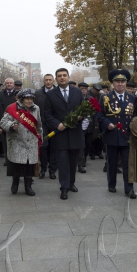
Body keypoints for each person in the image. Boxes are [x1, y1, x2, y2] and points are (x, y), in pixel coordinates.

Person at [44, 68, 87, 201]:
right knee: (63, 161)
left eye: (64, 75)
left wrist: (81, 116)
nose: (62, 78)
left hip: (75, 132)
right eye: (59, 76)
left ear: (68, 77)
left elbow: (84, 108)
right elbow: (47, 114)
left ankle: (71, 183)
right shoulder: (51, 94)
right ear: (56, 79)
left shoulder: (77, 92)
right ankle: (64, 187)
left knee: (73, 161)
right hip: (60, 134)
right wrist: (57, 124)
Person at [97, 69, 137, 199]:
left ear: (126, 83)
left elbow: (135, 117)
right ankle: (111, 184)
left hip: (127, 137)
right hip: (112, 135)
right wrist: (107, 123)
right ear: (113, 83)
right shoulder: (105, 98)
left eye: (123, 81)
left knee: (127, 164)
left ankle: (129, 189)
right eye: (117, 81)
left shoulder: (132, 98)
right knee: (112, 163)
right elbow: (99, 114)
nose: (120, 84)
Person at [0, 89, 43, 197]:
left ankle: (28, 187)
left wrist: (40, 137)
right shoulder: (12, 108)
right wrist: (11, 125)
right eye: (27, 98)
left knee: (30, 166)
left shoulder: (36, 108)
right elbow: (3, 122)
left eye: (31, 98)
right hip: (17, 141)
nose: (29, 101)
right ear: (22, 99)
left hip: (32, 141)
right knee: (17, 165)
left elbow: (39, 125)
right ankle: (15, 182)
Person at [34, 74, 58, 180]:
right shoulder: (38, 93)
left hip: (55, 124)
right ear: (43, 81)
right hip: (42, 124)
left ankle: (52, 170)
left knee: (54, 148)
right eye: (46, 80)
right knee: (43, 147)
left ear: (53, 81)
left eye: (50, 80)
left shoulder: (58, 92)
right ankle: (43, 169)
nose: (48, 82)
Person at [0, 78, 18, 165]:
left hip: (15, 121)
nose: (9, 84)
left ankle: (15, 159)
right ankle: (7, 159)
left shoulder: (17, 94)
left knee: (15, 141)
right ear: (5, 84)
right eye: (7, 83)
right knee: (5, 142)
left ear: (13, 84)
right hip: (4, 121)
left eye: (11, 83)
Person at [87, 83, 105, 160]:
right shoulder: (89, 95)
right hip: (92, 117)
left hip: (99, 117)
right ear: (93, 89)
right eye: (96, 90)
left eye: (98, 90)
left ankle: (99, 152)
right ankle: (92, 153)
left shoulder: (100, 95)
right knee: (92, 137)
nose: (97, 92)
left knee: (99, 137)